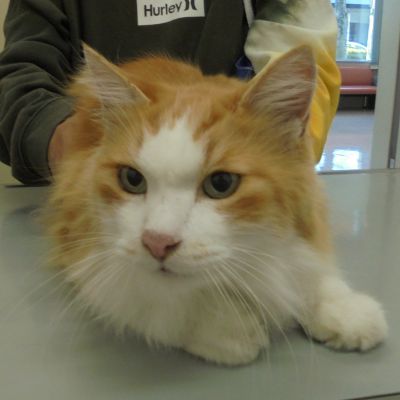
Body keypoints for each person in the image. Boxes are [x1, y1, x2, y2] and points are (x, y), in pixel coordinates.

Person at [0, 0, 340, 184]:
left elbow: (301, 68)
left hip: (233, 195)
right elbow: (18, 77)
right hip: (103, 192)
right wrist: (62, 140)